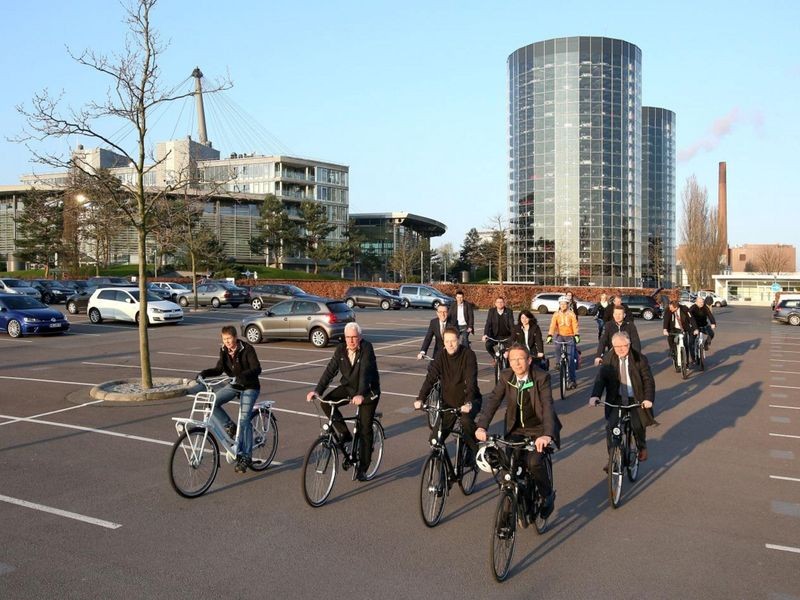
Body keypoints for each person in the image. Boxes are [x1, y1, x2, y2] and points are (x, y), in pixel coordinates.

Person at [475, 344, 561, 520]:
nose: (517, 363)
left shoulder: (541, 377)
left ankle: (547, 496)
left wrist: (547, 434)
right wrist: (482, 426)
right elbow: (493, 401)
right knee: (508, 469)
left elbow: (547, 406)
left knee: (534, 463)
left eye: (521, 358)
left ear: (529, 360)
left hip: (538, 430)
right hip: (516, 429)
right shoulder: (506, 376)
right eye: (513, 359)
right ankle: (508, 511)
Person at [306, 322, 381, 481]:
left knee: (364, 428)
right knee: (325, 403)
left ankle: (363, 467)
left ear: (359, 337)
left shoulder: (367, 348)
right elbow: (330, 370)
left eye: (354, 337)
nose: (351, 341)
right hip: (348, 387)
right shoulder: (341, 349)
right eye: (348, 337)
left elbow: (365, 373)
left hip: (368, 391)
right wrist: (317, 391)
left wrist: (361, 394)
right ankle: (346, 435)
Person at [199, 325, 262, 473]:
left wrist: (242, 376)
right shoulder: (224, 350)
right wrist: (204, 374)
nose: (226, 342)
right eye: (224, 339)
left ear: (235, 337)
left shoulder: (247, 349)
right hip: (235, 385)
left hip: (250, 386)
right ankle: (230, 427)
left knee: (244, 420)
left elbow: (257, 368)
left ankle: (246, 456)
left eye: (229, 338)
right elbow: (219, 368)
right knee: (211, 403)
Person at [589, 332, 657, 468]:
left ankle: (642, 446)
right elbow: (600, 379)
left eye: (624, 346)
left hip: (636, 398)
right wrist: (595, 395)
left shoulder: (639, 358)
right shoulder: (609, 358)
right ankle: (612, 458)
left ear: (629, 345)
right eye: (616, 346)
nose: (620, 349)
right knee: (611, 427)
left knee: (638, 425)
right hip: (617, 399)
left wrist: (648, 399)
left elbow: (648, 380)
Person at [415, 327, 480, 455]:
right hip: (449, 403)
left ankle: (474, 451)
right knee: (435, 440)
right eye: (447, 341)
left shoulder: (468, 355)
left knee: (466, 423)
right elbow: (430, 379)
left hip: (469, 401)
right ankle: (443, 472)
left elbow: (471, 382)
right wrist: (420, 398)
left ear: (459, 340)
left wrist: (468, 403)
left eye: (453, 341)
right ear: (443, 342)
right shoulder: (440, 355)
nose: (450, 344)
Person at [547, 297, 580, 389]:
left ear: (568, 304)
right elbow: (553, 325)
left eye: (564, 304)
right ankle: (558, 363)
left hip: (570, 336)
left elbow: (575, 325)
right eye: (561, 304)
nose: (563, 306)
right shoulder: (556, 314)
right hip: (560, 335)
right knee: (557, 345)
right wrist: (550, 335)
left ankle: (572, 380)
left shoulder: (571, 314)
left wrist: (576, 335)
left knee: (570, 359)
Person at [482, 296, 515, 362]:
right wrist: (485, 334)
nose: (500, 303)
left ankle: (507, 365)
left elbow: (511, 325)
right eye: (498, 302)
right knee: (488, 345)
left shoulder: (509, 311)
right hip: (495, 336)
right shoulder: (491, 311)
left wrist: (513, 336)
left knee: (509, 353)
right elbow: (488, 324)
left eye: (501, 302)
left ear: (504, 303)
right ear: (495, 304)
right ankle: (495, 358)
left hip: (506, 336)